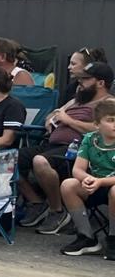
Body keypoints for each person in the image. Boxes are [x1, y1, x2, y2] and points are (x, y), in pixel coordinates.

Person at [19, 61, 113, 234]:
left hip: (75, 149)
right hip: (51, 143)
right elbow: (54, 113)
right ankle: (37, 202)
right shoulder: (76, 100)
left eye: (86, 79)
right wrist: (50, 120)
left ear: (100, 83)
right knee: (8, 159)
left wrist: (68, 121)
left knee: (40, 161)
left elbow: (99, 129)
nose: (80, 83)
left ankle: (57, 211)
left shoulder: (109, 104)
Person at [58, 98, 115, 256]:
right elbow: (78, 169)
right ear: (97, 125)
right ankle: (87, 237)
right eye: (110, 120)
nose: (114, 124)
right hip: (95, 184)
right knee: (68, 185)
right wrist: (86, 178)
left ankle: (113, 238)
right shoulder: (90, 139)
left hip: (110, 185)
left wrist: (101, 181)